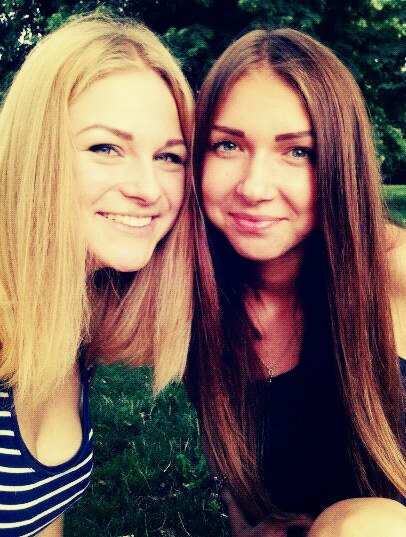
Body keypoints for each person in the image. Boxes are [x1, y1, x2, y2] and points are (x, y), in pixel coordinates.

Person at [187, 28, 406, 536]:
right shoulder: (195, 294)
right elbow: (234, 473)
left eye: (298, 152)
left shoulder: (393, 272)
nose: (254, 187)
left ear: (341, 163)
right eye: (227, 145)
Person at [0, 13, 200, 536]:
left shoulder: (73, 320)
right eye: (105, 148)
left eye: (169, 156)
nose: (148, 189)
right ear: (34, 154)